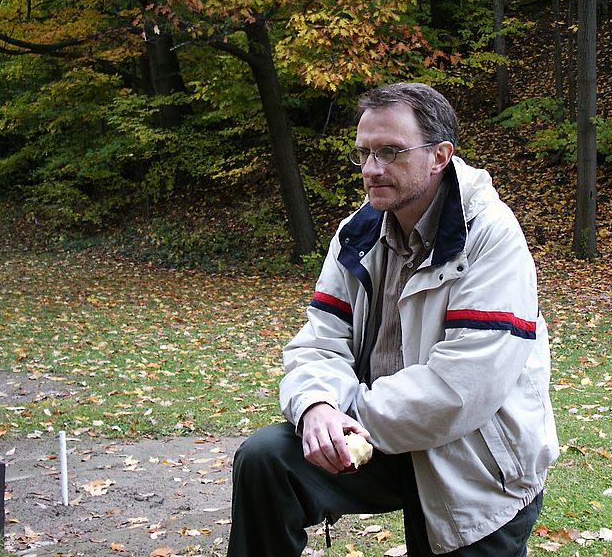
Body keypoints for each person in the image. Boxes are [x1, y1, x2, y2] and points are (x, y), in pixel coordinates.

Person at [227, 82, 559, 556]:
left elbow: (462, 387)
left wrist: (349, 417)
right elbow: (321, 340)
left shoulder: (490, 235)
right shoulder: (356, 231)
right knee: (266, 461)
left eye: (390, 152)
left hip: (472, 457)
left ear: (440, 155)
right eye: (363, 153)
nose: (371, 169)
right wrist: (318, 406)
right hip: (375, 438)